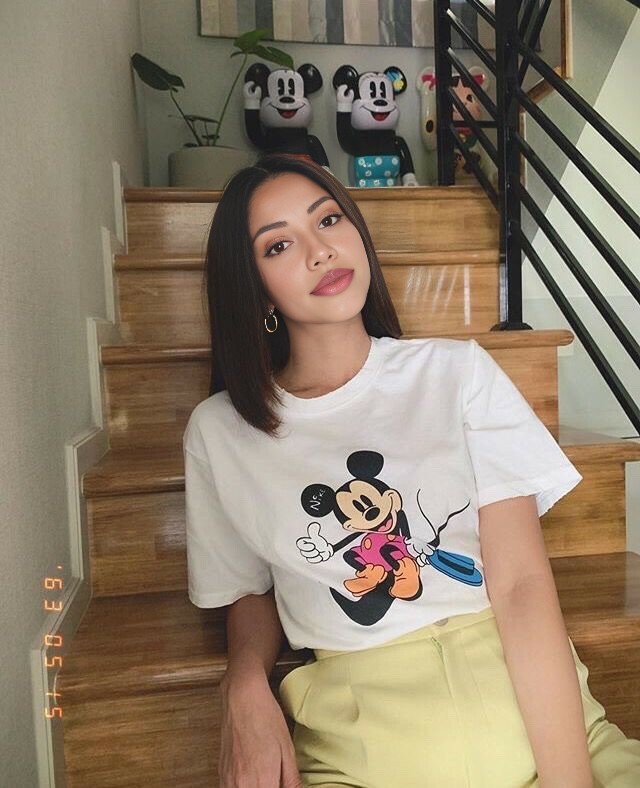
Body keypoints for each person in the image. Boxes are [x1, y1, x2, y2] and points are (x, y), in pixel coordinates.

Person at [183, 153, 640, 788]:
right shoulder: (220, 431)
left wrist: (571, 781)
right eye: (280, 244)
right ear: (254, 286)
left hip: (542, 722)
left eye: (329, 219)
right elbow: (248, 592)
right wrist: (243, 681)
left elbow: (520, 585)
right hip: (361, 750)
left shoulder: (457, 372)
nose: (320, 251)